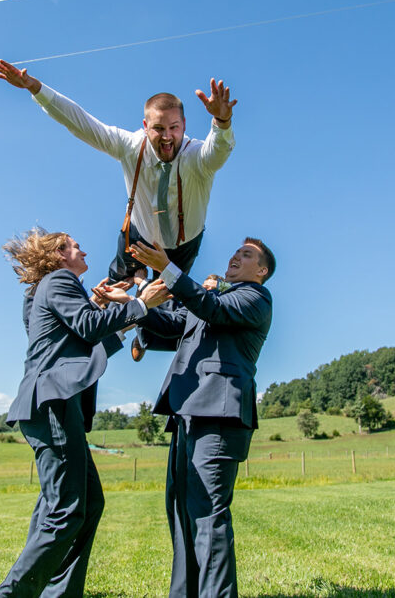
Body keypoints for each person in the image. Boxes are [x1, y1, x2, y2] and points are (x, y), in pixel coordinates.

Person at [0, 228, 162, 597]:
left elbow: (77, 340)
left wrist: (104, 308)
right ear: (58, 255)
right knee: (65, 512)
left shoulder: (49, 289)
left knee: (84, 504)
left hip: (52, 404)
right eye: (74, 245)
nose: (82, 248)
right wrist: (140, 304)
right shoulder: (59, 281)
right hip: (51, 404)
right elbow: (86, 329)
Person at [0, 59, 238, 285]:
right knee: (113, 286)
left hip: (183, 243)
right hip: (140, 232)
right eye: (158, 128)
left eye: (174, 127)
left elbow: (218, 152)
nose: (167, 137)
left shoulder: (196, 157)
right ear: (145, 126)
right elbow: (82, 124)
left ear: (184, 125)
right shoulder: (130, 146)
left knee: (167, 300)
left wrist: (222, 123)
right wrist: (35, 88)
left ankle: (146, 333)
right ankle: (98, 321)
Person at [130, 237, 275, 598]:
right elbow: (167, 325)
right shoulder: (208, 301)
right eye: (236, 251)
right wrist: (134, 303)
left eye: (247, 254)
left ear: (261, 271)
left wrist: (168, 268)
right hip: (186, 413)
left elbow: (208, 306)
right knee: (181, 514)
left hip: (219, 415)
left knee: (208, 515)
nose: (235, 256)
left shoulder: (254, 298)